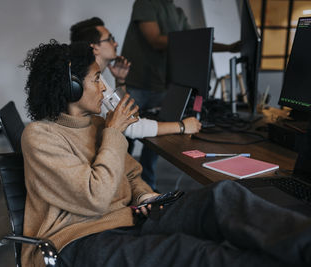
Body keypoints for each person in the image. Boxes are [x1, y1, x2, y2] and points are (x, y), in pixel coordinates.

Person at [20, 40, 311, 267]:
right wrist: (114, 132)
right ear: (71, 88)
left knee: (222, 197)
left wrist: (145, 195)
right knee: (197, 254)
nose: (103, 88)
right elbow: (94, 198)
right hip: (81, 238)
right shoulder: (40, 136)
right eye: (97, 79)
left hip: (131, 216)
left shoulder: (97, 124)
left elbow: (132, 174)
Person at [121, 0, 241, 189]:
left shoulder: (177, 12)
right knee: (125, 137)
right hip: (138, 82)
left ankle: (146, 186)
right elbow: (155, 40)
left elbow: (195, 42)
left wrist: (227, 47)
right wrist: (195, 39)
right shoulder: (145, 3)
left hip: (163, 84)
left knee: (156, 137)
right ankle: (123, 188)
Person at [70, 17, 201, 189]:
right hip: (102, 177)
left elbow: (126, 114)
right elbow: (132, 126)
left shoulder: (98, 78)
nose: (115, 44)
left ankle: (146, 190)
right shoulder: (89, 85)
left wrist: (121, 81)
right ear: (94, 48)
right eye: (110, 39)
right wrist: (182, 126)